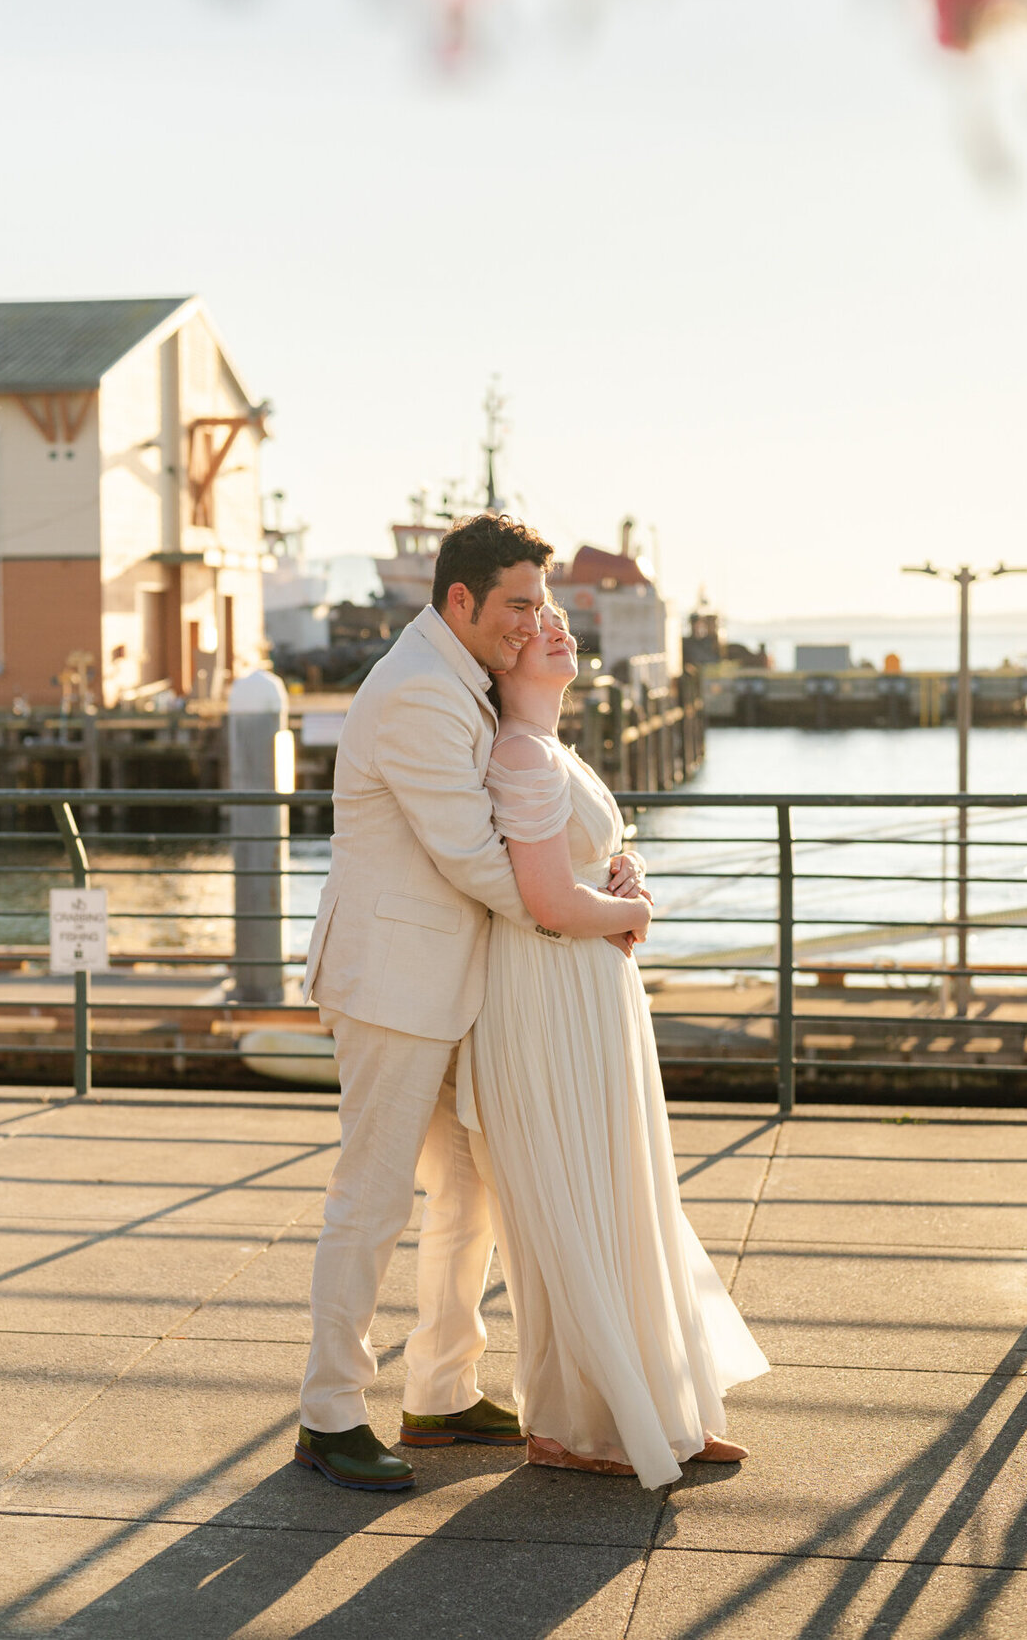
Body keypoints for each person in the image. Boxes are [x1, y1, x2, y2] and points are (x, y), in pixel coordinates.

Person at [295, 515, 647, 1491]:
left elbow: (525, 822)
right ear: (461, 599)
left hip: (455, 985)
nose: (533, 622)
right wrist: (583, 913)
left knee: (469, 1192)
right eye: (518, 604)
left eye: (540, 603)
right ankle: (329, 1413)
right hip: (393, 984)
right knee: (370, 1199)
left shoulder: (462, 678)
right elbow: (474, 857)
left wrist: (595, 873)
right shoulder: (419, 691)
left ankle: (442, 1391)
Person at [465, 602, 770, 1488]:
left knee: (621, 1187)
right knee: (579, 1195)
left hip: (589, 987)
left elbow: (579, 868)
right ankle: (576, 1420)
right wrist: (631, 908)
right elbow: (549, 901)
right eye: (537, 621)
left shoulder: (551, 749)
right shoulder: (521, 753)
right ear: (505, 654)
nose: (557, 628)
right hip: (550, 989)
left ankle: (658, 1405)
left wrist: (624, 875)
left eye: (562, 618)